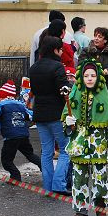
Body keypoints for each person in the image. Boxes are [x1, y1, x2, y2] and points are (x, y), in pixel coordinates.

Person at [64, 59, 108, 216]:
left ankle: (100, 209)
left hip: (98, 144)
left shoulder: (103, 95)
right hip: (79, 143)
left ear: (98, 77)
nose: (89, 78)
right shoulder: (75, 93)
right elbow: (67, 117)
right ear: (81, 77)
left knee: (99, 176)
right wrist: (68, 122)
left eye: (93, 75)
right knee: (79, 176)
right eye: (86, 75)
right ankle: (80, 209)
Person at [29, 35, 72, 196]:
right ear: (55, 50)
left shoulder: (34, 68)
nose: (62, 52)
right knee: (65, 149)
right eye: (60, 49)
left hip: (39, 113)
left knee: (46, 151)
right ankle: (59, 184)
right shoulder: (57, 67)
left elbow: (34, 90)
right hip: (56, 114)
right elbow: (64, 90)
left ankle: (47, 186)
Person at [0, 80, 42, 184]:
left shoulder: (1, 105)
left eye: (0, 96)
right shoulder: (21, 105)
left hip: (11, 137)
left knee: (6, 160)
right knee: (30, 154)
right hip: (23, 135)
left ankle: (15, 177)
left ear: (3, 96)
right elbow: (31, 115)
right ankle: (44, 168)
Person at [85, 27, 108, 104]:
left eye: (99, 37)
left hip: (106, 88)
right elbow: (81, 65)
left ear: (105, 40)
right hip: (89, 87)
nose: (96, 39)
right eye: (95, 36)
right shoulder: (87, 51)